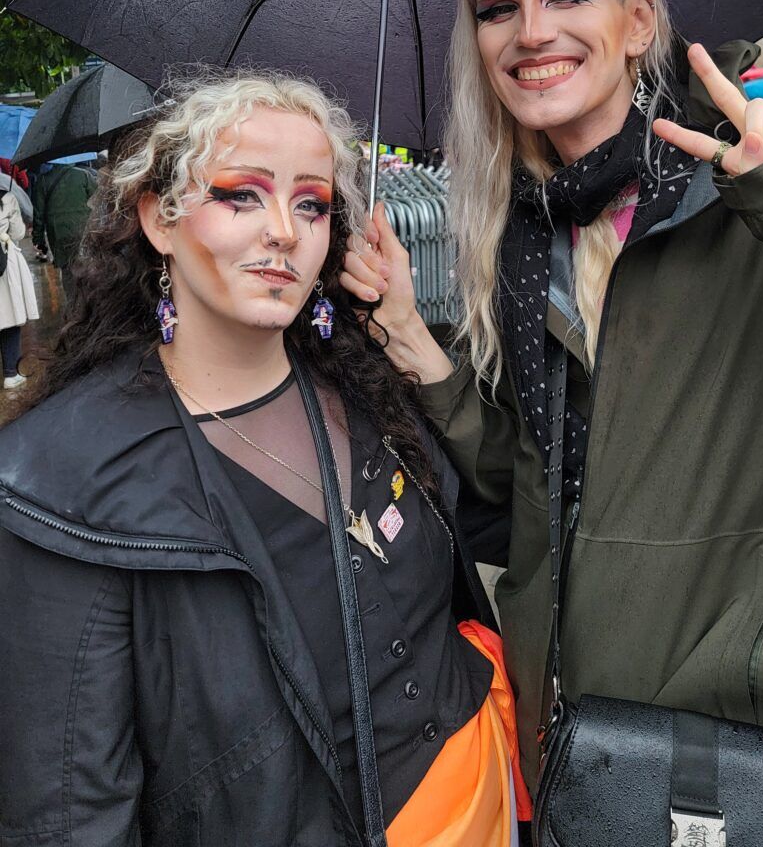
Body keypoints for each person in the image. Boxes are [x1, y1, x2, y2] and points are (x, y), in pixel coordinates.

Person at [341, 0, 763, 845]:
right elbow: (527, 488)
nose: (531, 31)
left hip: (735, 768)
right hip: (571, 757)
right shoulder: (525, 244)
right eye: (497, 7)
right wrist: (408, 332)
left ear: (638, 20)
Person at [0, 71, 528, 846]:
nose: (284, 229)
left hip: (484, 800)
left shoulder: (372, 387)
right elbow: (69, 813)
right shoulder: (59, 485)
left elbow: (506, 525)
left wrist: (408, 335)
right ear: (159, 217)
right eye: (241, 195)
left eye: (311, 203)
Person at [30, 160, 97, 302]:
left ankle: (74, 307)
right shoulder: (84, 175)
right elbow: (97, 202)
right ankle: (89, 303)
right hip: (83, 229)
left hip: (57, 234)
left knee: (67, 271)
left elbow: (38, 215)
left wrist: (38, 239)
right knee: (87, 265)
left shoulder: (42, 180)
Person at [0, 172, 39, 390]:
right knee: (8, 317)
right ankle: (10, 374)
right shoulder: (8, 198)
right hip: (4, 265)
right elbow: (18, 232)